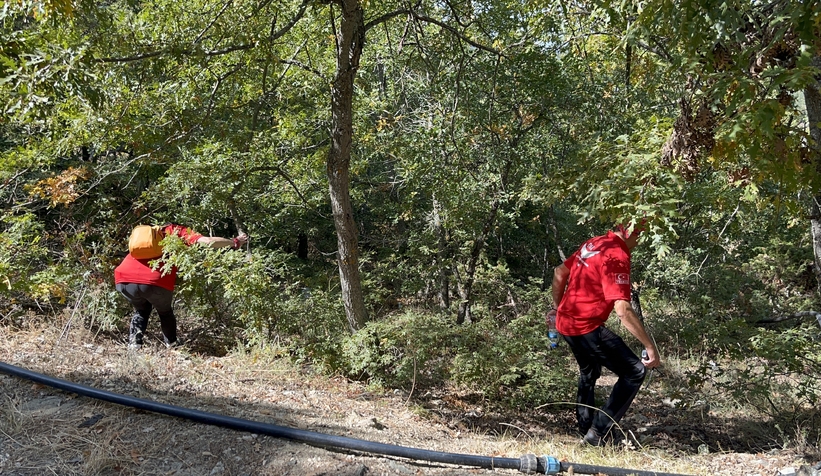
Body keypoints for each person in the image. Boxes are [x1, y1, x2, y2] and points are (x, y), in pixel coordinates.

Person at [547, 221, 660, 446]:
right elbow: (623, 310)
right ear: (629, 231)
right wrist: (649, 346)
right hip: (585, 326)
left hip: (566, 324)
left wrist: (559, 308)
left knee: (589, 373)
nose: (639, 241)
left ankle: (585, 427)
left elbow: (560, 273)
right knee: (634, 371)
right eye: (639, 235)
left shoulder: (594, 243)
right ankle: (598, 434)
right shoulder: (617, 254)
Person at [114, 223, 248, 349]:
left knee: (142, 311)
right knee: (165, 312)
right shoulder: (176, 231)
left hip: (123, 279)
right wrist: (234, 242)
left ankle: (134, 346)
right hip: (154, 280)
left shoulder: (146, 234)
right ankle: (172, 345)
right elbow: (208, 241)